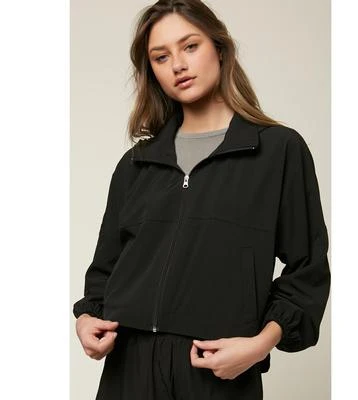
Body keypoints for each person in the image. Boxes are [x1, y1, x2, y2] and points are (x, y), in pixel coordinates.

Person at [73, 1, 331, 399]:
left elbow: (307, 269)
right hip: (128, 368)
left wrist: (259, 345)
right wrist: (87, 319)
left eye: (190, 46)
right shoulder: (136, 164)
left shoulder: (277, 151)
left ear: (220, 49)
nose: (178, 65)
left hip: (215, 369)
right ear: (152, 71)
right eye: (161, 57)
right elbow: (105, 270)